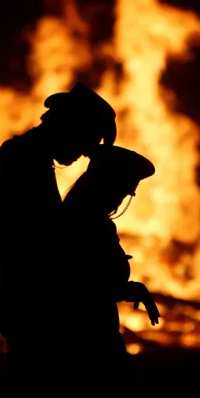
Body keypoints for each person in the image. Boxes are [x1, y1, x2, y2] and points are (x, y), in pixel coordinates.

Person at [0, 83, 117, 381]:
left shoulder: (26, 157)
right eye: (86, 140)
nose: (84, 153)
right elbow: (48, 240)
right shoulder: (24, 162)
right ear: (68, 125)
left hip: (22, 297)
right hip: (29, 302)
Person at [59, 144, 161, 381]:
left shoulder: (87, 219)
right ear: (106, 186)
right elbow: (83, 285)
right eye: (123, 190)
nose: (123, 198)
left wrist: (129, 289)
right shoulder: (82, 224)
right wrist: (128, 289)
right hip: (86, 342)